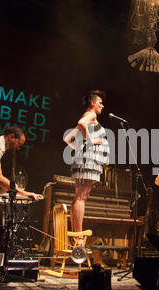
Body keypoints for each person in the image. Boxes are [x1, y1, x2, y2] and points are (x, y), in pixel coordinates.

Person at [63, 89, 109, 246]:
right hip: (88, 161)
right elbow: (82, 124)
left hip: (85, 160)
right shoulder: (91, 115)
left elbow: (67, 138)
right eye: (100, 103)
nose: (102, 106)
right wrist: (89, 142)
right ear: (93, 103)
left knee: (80, 196)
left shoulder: (86, 117)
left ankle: (77, 236)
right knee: (81, 197)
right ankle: (78, 237)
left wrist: (79, 147)